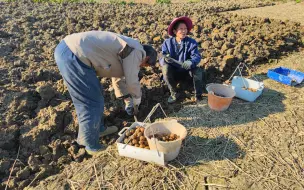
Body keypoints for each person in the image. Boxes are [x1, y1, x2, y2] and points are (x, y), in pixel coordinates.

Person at [54, 31, 157, 155]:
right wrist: (137, 99)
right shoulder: (138, 51)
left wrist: (127, 100)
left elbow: (118, 78)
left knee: (97, 97)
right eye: (144, 65)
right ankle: (90, 144)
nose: (141, 67)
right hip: (73, 54)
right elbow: (132, 80)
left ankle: (98, 129)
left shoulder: (129, 50)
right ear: (147, 58)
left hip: (71, 51)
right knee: (90, 102)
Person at [160, 16, 204, 103]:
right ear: (175, 31)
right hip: (173, 72)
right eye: (181, 29)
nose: (184, 31)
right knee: (165, 69)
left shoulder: (191, 42)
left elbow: (196, 56)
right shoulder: (167, 43)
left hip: (187, 71)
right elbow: (162, 56)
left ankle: (198, 95)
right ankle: (174, 93)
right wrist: (165, 59)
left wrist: (191, 61)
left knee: (198, 71)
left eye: (185, 29)